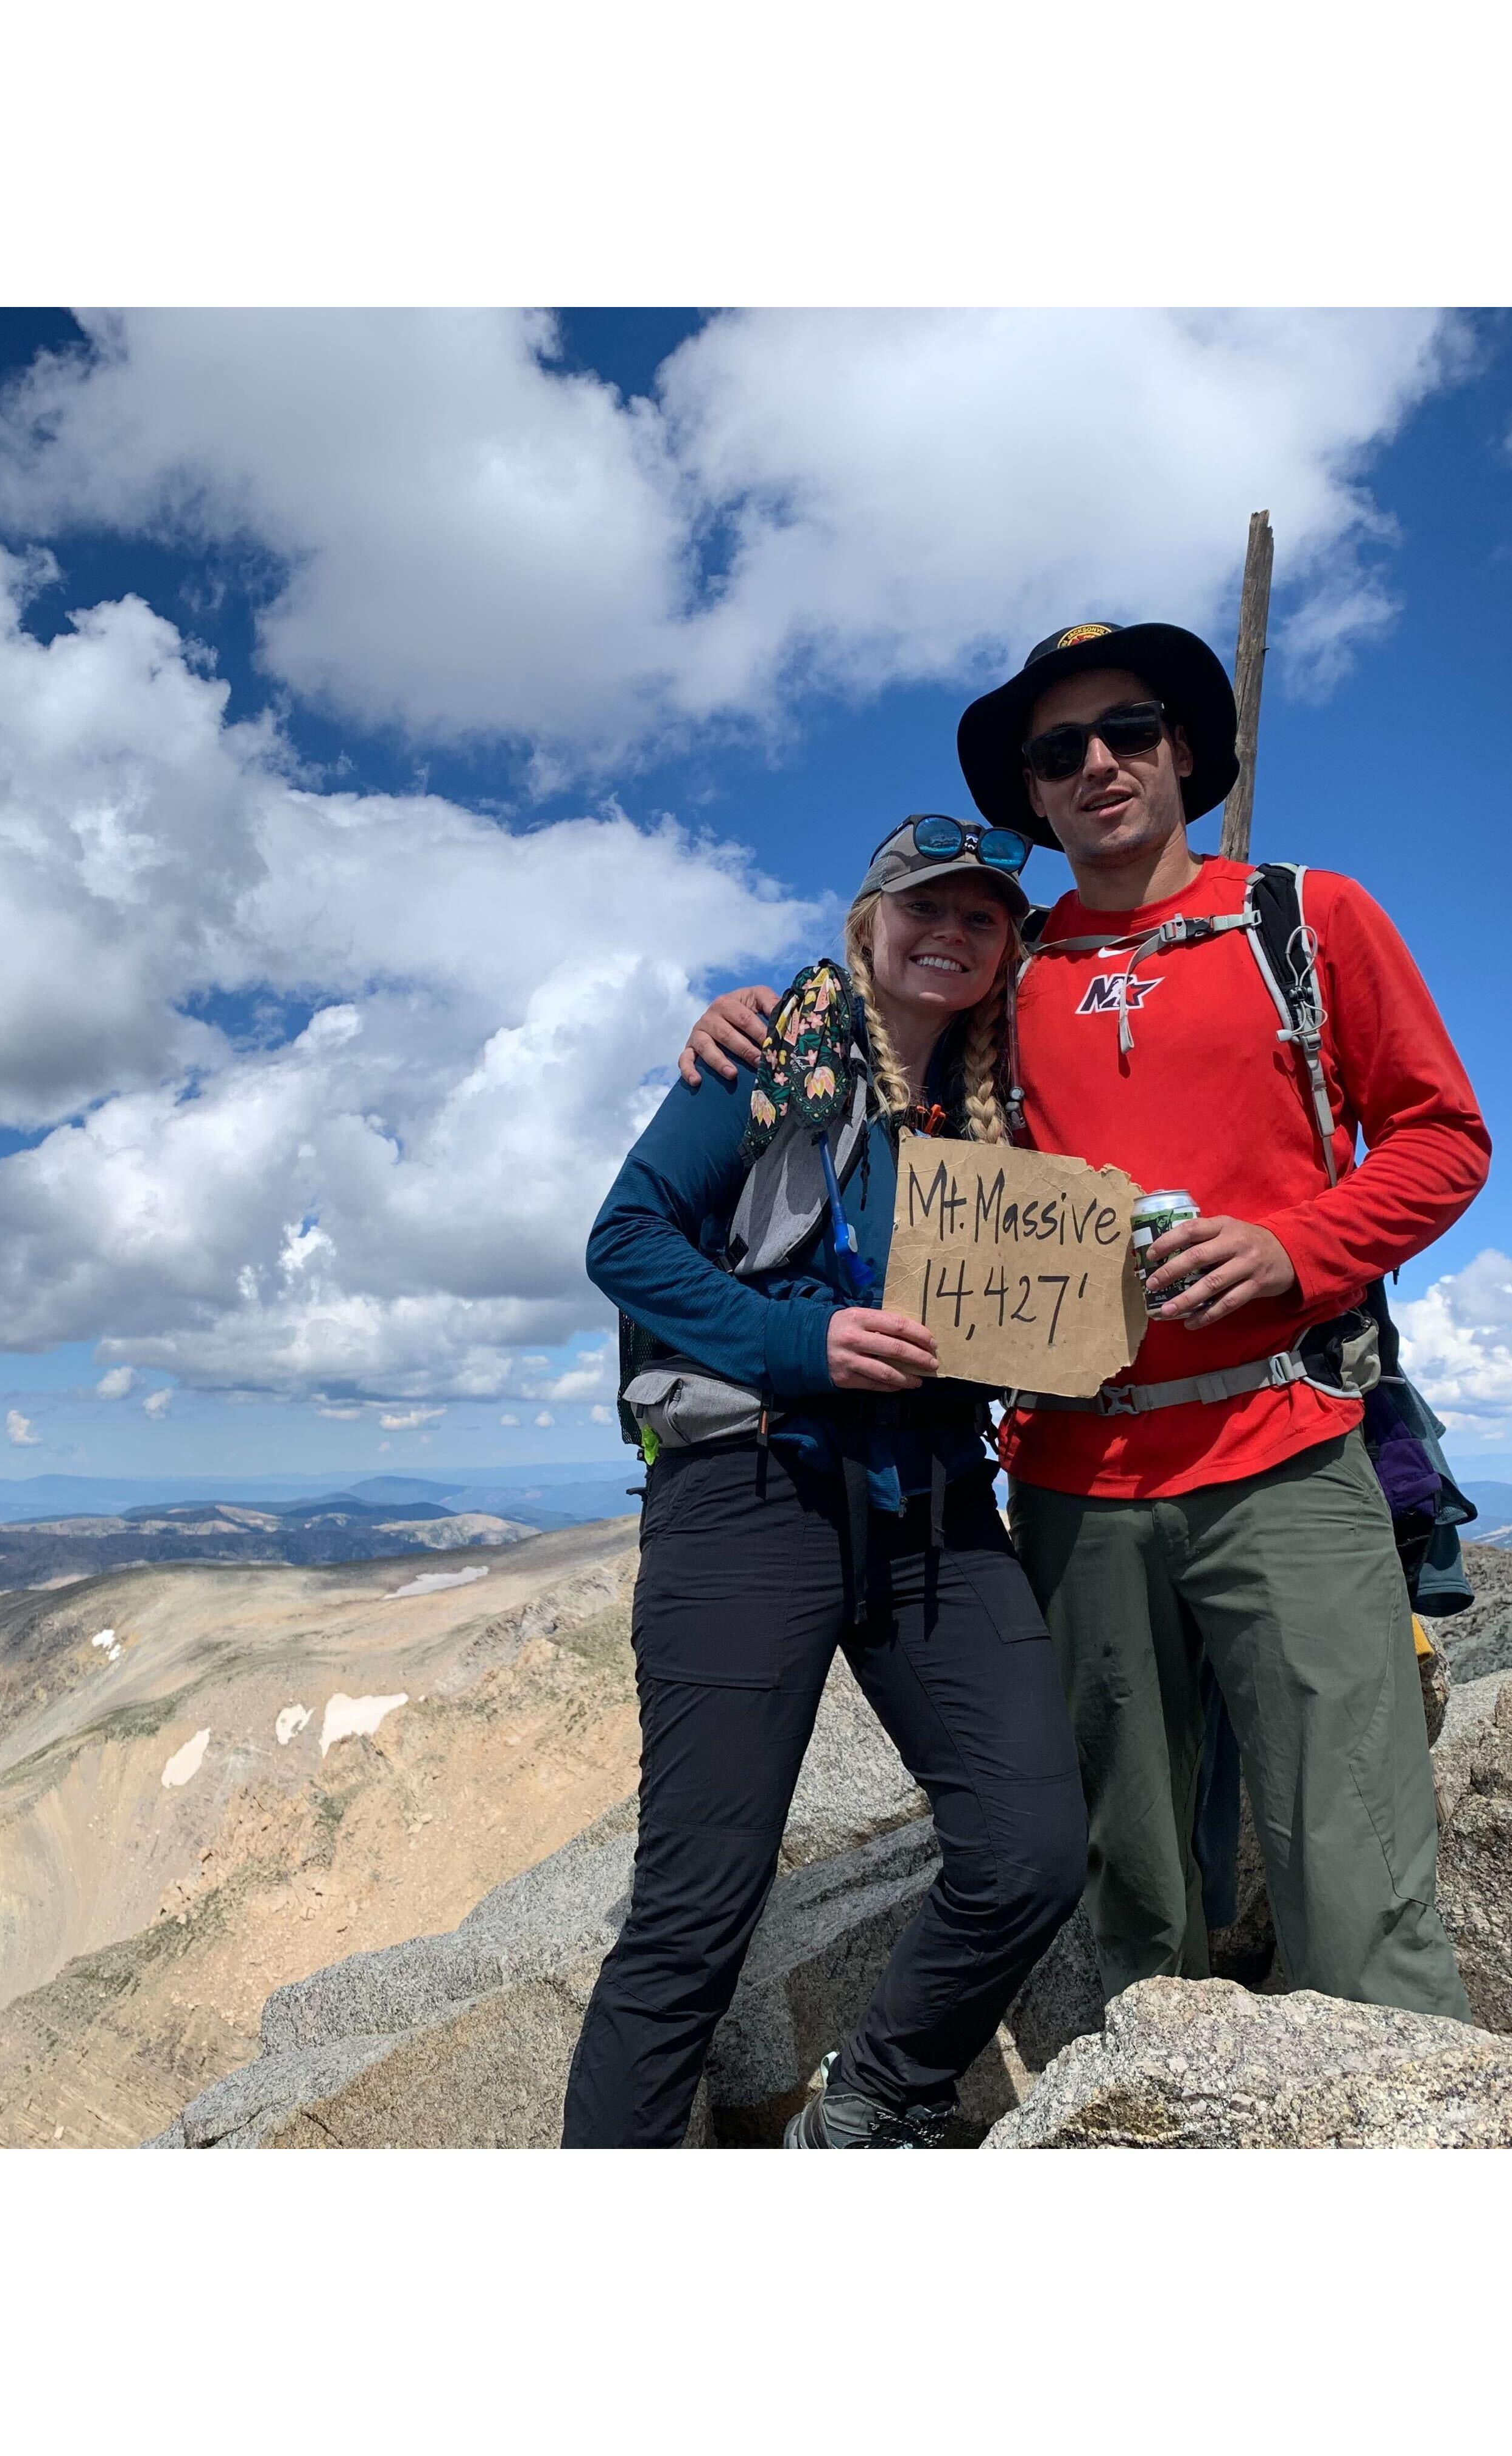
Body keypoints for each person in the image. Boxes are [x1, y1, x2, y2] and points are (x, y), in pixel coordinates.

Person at [681, 619, 1489, 2022]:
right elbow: (881, 1026)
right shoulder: (1004, 966)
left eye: (1129, 732)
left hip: (1283, 1447)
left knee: (1356, 1877)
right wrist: (752, 1018)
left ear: (1185, 751)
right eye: (1060, 753)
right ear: (1036, 799)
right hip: (1068, 1478)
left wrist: (1299, 1247)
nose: (1099, 764)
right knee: (1136, 1886)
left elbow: (1440, 1136)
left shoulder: (1305, 920)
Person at [564, 819, 1089, 2149]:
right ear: (867, 925)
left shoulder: (1003, 1104)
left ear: (1007, 951)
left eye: (984, 917)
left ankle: (869, 2106)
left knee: (1030, 1847)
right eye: (925, 906)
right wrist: (804, 1343)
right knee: (694, 1917)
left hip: (936, 1514)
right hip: (751, 1497)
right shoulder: (764, 1055)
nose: (952, 932)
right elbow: (622, 1238)